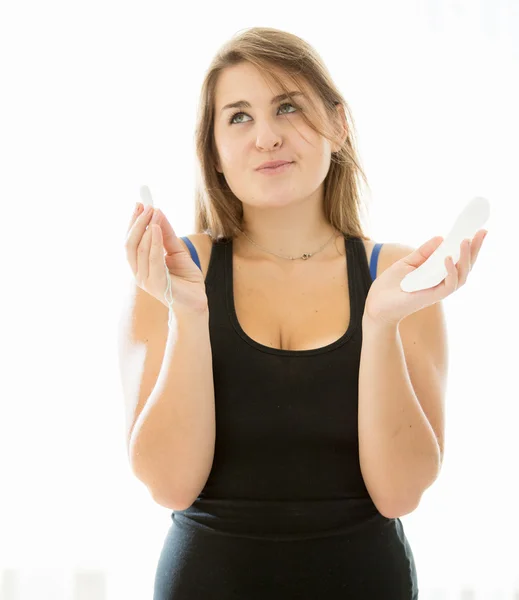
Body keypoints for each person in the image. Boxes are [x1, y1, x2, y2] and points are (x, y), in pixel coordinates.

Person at [120, 26, 422, 599]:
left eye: (288, 107)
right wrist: (188, 314)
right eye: (238, 116)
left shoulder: (399, 277)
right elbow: (170, 484)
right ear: (213, 150)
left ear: (339, 125)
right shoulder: (171, 268)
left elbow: (400, 494)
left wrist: (380, 325)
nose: (266, 136)